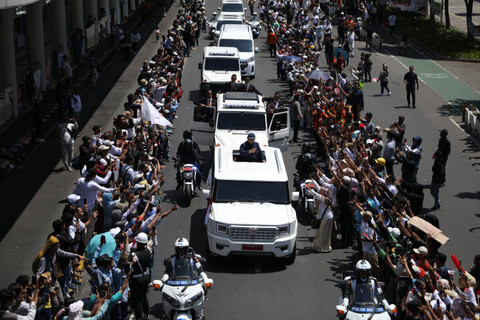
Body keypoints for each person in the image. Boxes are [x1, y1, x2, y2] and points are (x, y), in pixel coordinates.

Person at [129, 233, 152, 320]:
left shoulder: (134, 255)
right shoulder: (149, 251)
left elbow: (129, 267)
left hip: (137, 279)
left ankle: (139, 317)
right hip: (146, 276)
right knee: (144, 295)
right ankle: (147, 312)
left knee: (138, 300)